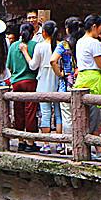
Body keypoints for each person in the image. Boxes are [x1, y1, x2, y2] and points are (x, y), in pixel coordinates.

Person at [74, 19, 101, 161]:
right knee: (94, 116)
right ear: (94, 27)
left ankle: (99, 149)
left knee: (88, 115)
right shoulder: (94, 43)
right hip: (94, 79)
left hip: (82, 78)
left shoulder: (80, 41)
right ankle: (91, 148)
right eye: (100, 28)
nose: (100, 31)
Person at [7, 21, 39, 151]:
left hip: (16, 82)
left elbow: (9, 65)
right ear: (32, 34)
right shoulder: (35, 45)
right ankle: (30, 142)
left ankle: (20, 140)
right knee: (30, 112)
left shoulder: (13, 46)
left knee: (18, 111)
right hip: (30, 81)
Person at [32, 19, 62, 148]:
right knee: (59, 112)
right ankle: (61, 143)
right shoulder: (61, 45)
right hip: (58, 80)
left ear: (43, 32)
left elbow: (33, 66)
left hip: (44, 80)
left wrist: (25, 53)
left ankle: (46, 144)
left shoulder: (40, 46)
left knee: (45, 112)